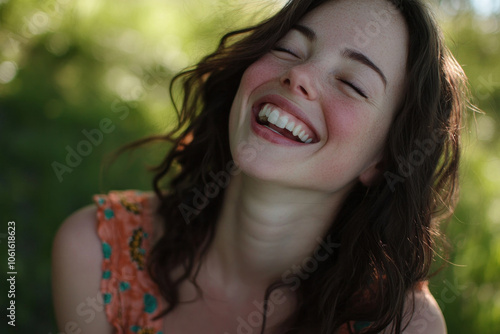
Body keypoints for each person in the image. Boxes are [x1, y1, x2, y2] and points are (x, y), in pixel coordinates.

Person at [52, 0, 469, 333]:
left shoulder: (398, 327)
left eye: (352, 83)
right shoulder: (95, 253)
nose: (300, 74)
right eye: (288, 48)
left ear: (383, 159)